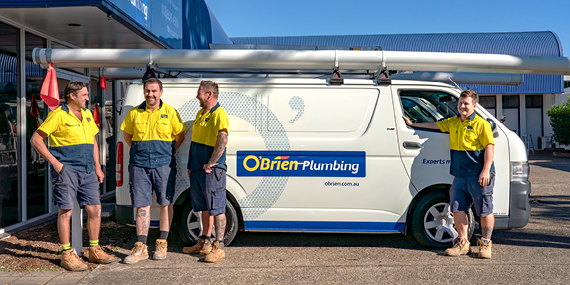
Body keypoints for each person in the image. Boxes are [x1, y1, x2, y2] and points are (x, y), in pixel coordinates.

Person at [30, 82, 114, 271]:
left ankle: (93, 250)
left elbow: (92, 140)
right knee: (66, 211)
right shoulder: (58, 115)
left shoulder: (87, 114)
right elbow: (36, 139)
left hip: (88, 170)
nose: (87, 97)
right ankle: (67, 254)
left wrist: (98, 167)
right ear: (72, 96)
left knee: (95, 209)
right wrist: (56, 163)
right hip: (67, 170)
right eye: (84, 95)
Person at [403, 90, 495, 259]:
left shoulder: (482, 124)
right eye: (460, 103)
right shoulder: (453, 122)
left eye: (466, 103)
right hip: (459, 175)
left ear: (474, 106)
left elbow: (489, 146)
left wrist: (486, 169)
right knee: (457, 208)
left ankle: (486, 244)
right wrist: (413, 124)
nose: (462, 106)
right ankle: (462, 243)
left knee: (484, 210)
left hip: (478, 173)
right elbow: (435, 125)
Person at [120, 78, 185, 264]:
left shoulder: (170, 112)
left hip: (164, 164)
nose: (150, 94)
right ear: (144, 92)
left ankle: (162, 243)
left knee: (165, 202)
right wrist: (141, 152)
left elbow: (179, 136)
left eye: (154, 91)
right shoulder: (134, 113)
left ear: (161, 92)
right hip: (139, 165)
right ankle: (141, 247)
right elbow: (127, 136)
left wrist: (166, 152)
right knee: (142, 204)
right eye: (148, 91)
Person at [182, 80, 229, 263]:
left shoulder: (220, 114)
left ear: (209, 94)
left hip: (212, 171)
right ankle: (204, 242)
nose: (197, 96)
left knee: (217, 208)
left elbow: (222, 140)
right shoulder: (201, 113)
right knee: (203, 207)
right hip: (197, 170)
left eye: (199, 92)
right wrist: (191, 166)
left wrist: (212, 163)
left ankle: (219, 246)